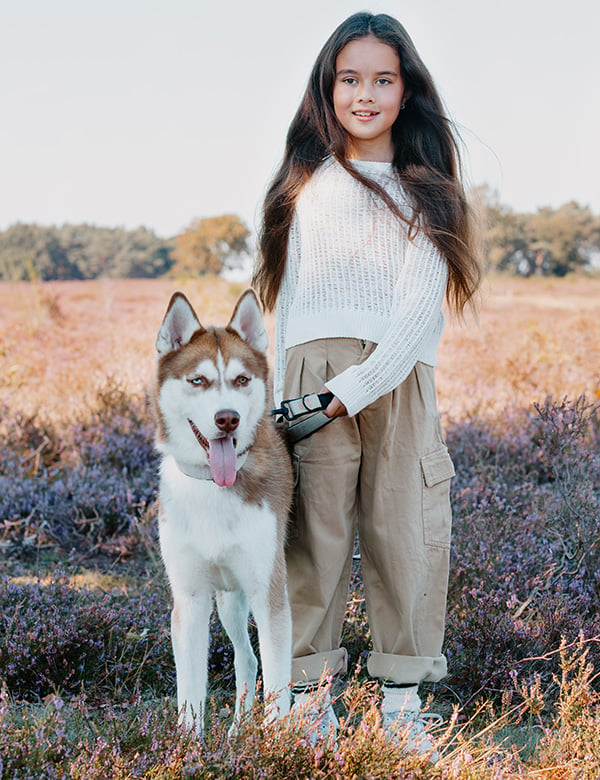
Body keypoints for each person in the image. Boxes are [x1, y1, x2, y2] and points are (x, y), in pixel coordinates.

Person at [253, 11, 481, 749]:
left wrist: (348, 391)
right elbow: (282, 304)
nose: (365, 94)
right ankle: (304, 704)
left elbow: (418, 314)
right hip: (307, 379)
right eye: (350, 78)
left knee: (404, 533)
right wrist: (279, 400)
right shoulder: (301, 184)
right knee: (310, 538)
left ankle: (403, 705)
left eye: (382, 79)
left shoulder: (427, 192)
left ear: (406, 89)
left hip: (394, 377)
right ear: (328, 88)